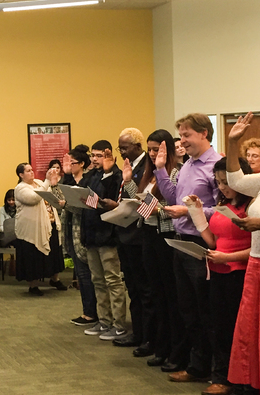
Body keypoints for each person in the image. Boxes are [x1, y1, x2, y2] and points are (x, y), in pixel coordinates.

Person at [154, 113, 220, 384]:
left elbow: (223, 208)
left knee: (206, 309)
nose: (182, 141)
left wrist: (191, 210)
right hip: (180, 241)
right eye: (180, 135)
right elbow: (173, 197)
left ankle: (217, 371)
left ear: (204, 133)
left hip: (201, 243)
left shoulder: (216, 165)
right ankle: (197, 366)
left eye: (187, 135)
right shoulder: (188, 165)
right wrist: (160, 169)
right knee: (188, 309)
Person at [185, 157, 252, 395]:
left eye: (226, 182)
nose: (222, 187)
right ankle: (222, 375)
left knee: (234, 328)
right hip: (218, 270)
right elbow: (213, 241)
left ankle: (235, 379)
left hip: (240, 272)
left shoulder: (251, 206)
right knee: (218, 326)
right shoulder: (223, 203)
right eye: (219, 182)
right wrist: (196, 212)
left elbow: (259, 248)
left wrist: (228, 257)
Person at [126, 130, 188, 372]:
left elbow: (178, 207)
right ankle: (160, 346)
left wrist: (157, 210)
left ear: (168, 149)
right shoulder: (149, 173)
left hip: (167, 237)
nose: (152, 154)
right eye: (150, 149)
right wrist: (129, 182)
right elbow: (142, 201)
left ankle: (175, 350)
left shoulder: (175, 172)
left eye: (156, 149)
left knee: (171, 295)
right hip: (148, 235)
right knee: (155, 293)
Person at [224, 112, 260, 395]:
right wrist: (232, 143)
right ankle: (255, 382)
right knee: (253, 329)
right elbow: (235, 180)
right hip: (257, 263)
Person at [113, 128, 156, 355]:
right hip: (125, 234)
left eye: (125, 147)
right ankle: (138, 332)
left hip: (140, 236)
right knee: (133, 288)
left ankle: (148, 337)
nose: (121, 151)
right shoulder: (129, 166)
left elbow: (143, 200)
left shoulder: (148, 166)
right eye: (119, 147)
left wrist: (129, 182)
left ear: (138, 146)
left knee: (145, 290)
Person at [79, 140, 127, 341]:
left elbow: (114, 200)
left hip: (108, 236)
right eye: (93, 155)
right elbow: (82, 190)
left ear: (109, 156)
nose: (95, 159)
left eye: (99, 155)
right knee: (97, 281)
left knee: (113, 281)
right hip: (91, 234)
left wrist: (108, 171)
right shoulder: (92, 175)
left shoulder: (116, 175)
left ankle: (119, 324)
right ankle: (104, 320)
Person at [14, 162, 67, 296]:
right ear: (21, 175)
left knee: (54, 252)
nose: (32, 172)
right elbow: (34, 198)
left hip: (49, 223)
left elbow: (52, 197)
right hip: (32, 228)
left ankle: (55, 279)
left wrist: (53, 184)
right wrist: (47, 181)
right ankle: (33, 285)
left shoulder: (38, 182)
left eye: (32, 169)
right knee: (34, 255)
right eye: (28, 171)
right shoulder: (20, 188)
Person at [61, 145, 98, 327]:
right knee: (81, 275)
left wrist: (65, 204)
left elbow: (85, 207)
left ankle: (91, 313)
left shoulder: (88, 181)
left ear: (82, 164)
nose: (69, 165)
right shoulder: (70, 180)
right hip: (70, 230)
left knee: (86, 275)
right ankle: (87, 311)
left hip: (82, 231)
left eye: (72, 162)